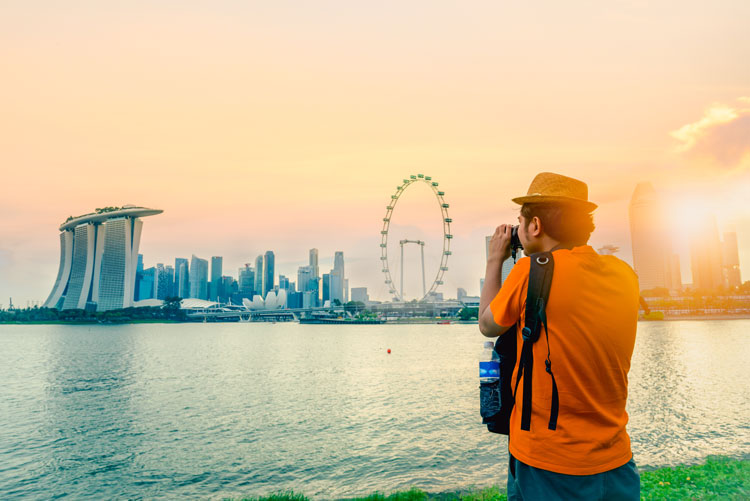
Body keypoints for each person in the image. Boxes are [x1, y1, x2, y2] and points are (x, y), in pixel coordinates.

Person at [478, 172, 641, 500]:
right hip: (615, 459)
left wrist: (496, 259)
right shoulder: (624, 274)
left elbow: (488, 324)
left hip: (548, 462)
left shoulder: (531, 270)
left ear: (535, 226)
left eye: (520, 222)